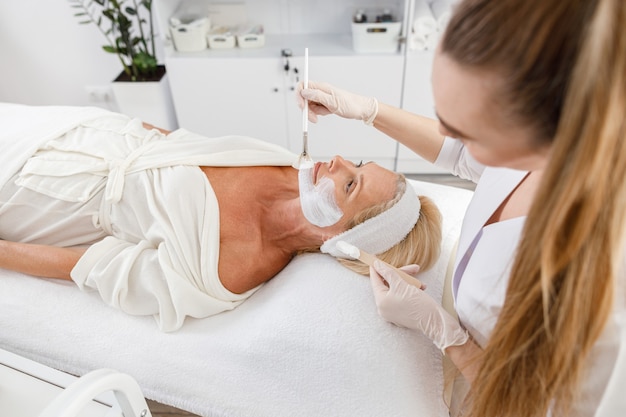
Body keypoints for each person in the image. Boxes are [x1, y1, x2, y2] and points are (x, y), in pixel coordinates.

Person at [297, 0, 625, 415]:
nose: (448, 134)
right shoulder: (541, 147)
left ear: (551, 135)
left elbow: (537, 406)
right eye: (442, 114)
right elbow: (465, 156)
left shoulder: (604, 281)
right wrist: (368, 110)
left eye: (468, 130)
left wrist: (449, 336)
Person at [0, 103, 442, 332]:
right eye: (359, 165)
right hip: (78, 129)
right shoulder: (290, 167)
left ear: (342, 237)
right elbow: (184, 140)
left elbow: (85, 265)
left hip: (41, 194)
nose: (340, 160)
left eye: (351, 186)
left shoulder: (228, 269)